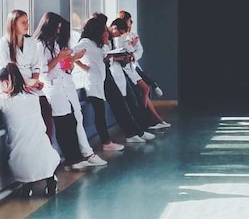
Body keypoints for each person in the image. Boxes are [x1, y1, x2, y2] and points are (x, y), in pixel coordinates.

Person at [0, 64, 60, 197]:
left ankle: (26, 186)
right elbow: (16, 95)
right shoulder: (33, 97)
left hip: (21, 161)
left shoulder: (5, 102)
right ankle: (51, 182)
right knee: (43, 154)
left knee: (25, 161)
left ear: (6, 83)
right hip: (46, 156)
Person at [33, 12, 106, 170]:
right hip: (53, 89)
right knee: (62, 124)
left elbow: (62, 67)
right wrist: (60, 59)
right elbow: (43, 71)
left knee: (71, 121)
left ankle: (76, 157)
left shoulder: (55, 44)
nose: (58, 32)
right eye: (57, 28)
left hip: (64, 85)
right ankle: (70, 159)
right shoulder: (39, 46)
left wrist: (70, 62)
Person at [0, 9, 53, 141]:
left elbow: (36, 65)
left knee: (46, 110)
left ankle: (46, 149)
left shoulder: (31, 42)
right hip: (14, 87)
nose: (27, 25)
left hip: (32, 86)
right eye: (23, 22)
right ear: (13, 24)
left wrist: (35, 82)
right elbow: (6, 73)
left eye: (27, 22)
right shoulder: (2, 45)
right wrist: (26, 83)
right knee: (29, 119)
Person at [72, 17, 125, 152]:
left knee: (100, 112)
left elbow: (104, 58)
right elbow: (71, 54)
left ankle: (106, 141)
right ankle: (106, 142)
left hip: (99, 81)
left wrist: (106, 41)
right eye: (103, 31)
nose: (106, 33)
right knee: (99, 113)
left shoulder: (99, 44)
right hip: (92, 83)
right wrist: (84, 67)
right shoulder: (86, 42)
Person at [110, 18, 170, 130]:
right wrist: (130, 49)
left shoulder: (124, 36)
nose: (123, 33)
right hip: (124, 70)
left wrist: (131, 52)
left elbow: (137, 51)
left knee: (145, 90)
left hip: (131, 66)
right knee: (140, 93)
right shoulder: (114, 38)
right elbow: (118, 54)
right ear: (115, 27)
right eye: (128, 23)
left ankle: (153, 119)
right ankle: (150, 120)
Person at [118, 10, 163, 99]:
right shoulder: (120, 36)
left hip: (133, 63)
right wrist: (131, 45)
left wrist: (132, 55)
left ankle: (152, 84)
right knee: (143, 88)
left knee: (144, 86)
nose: (131, 23)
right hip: (125, 67)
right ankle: (153, 84)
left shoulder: (133, 34)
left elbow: (140, 50)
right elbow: (122, 50)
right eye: (129, 21)